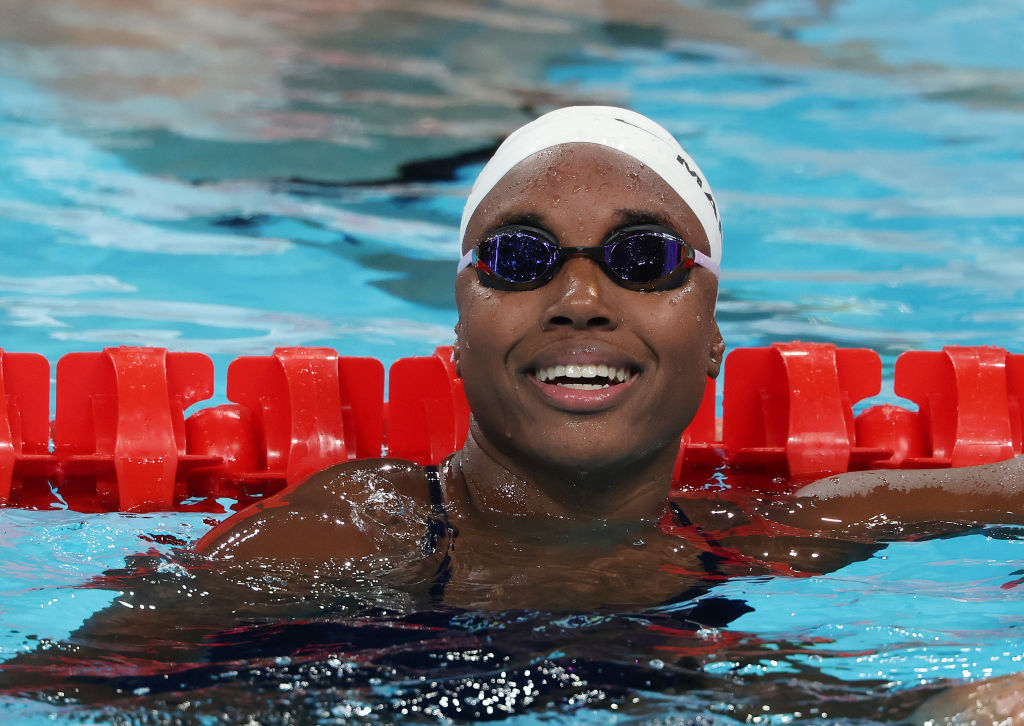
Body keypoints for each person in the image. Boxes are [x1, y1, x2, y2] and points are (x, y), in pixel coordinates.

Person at [197, 106, 1024, 613]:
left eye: (644, 258)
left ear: (710, 341)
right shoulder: (356, 535)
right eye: (519, 258)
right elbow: (89, 684)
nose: (581, 298)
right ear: (457, 336)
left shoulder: (765, 538)